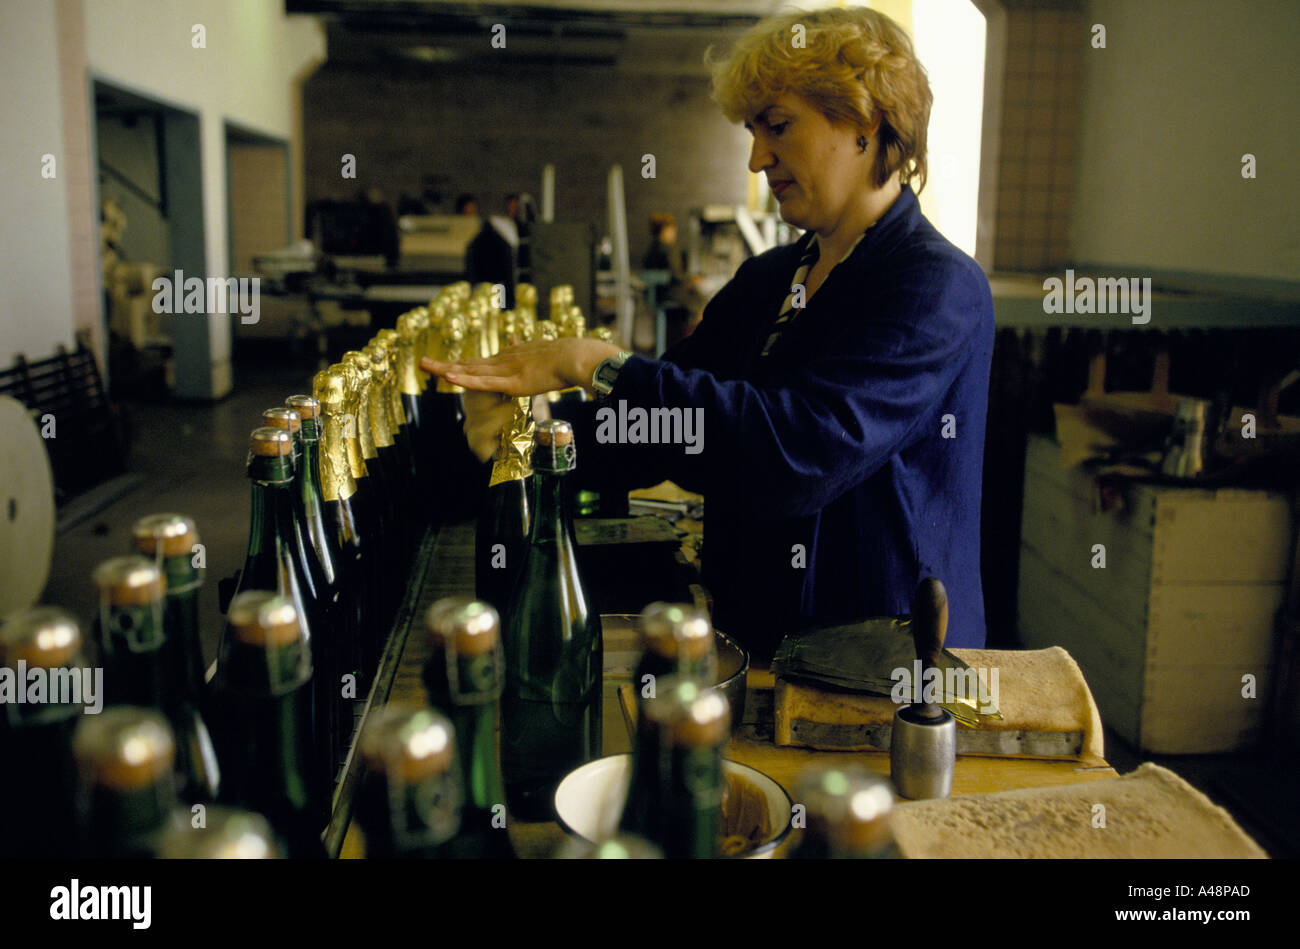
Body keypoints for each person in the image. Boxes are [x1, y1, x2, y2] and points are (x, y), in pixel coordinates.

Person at [422, 7, 994, 656]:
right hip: (764, 646)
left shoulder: (935, 286)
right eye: (753, 131)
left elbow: (797, 453)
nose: (757, 159)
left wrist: (597, 363)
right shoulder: (773, 277)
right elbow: (669, 429)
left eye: (777, 127)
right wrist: (530, 440)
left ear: (866, 119)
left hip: (882, 669)